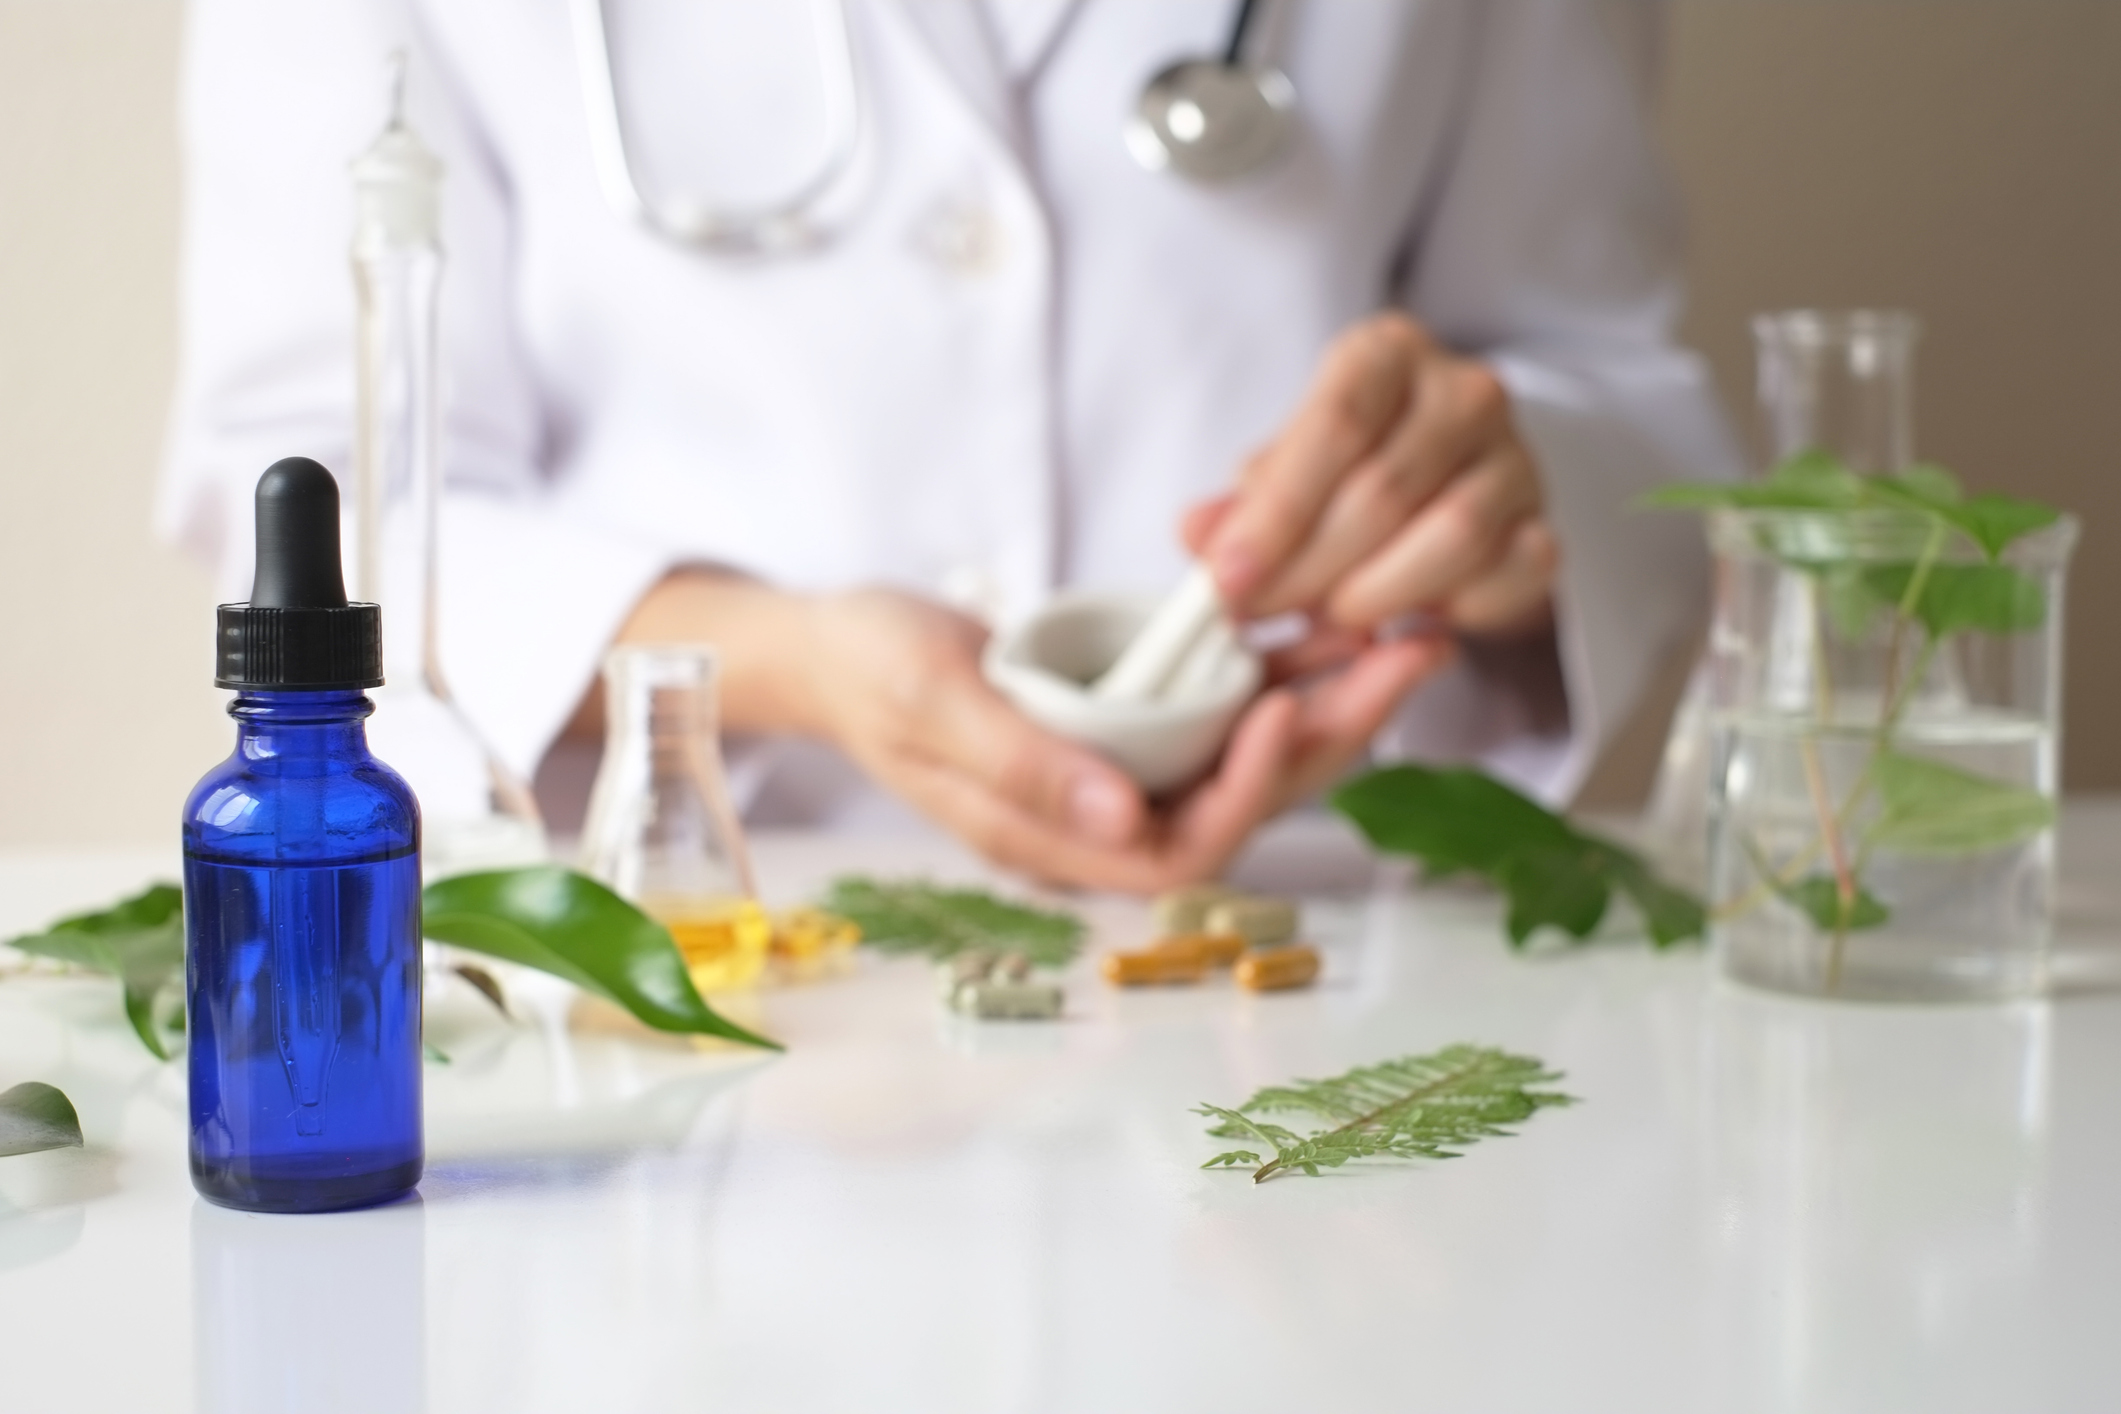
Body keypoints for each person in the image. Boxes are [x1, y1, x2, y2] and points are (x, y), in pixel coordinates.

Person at [161, 0, 1739, 893]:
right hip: (699, 929)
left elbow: (1615, 389)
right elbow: (308, 479)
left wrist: (1507, 487)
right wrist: (786, 661)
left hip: (1309, 923)